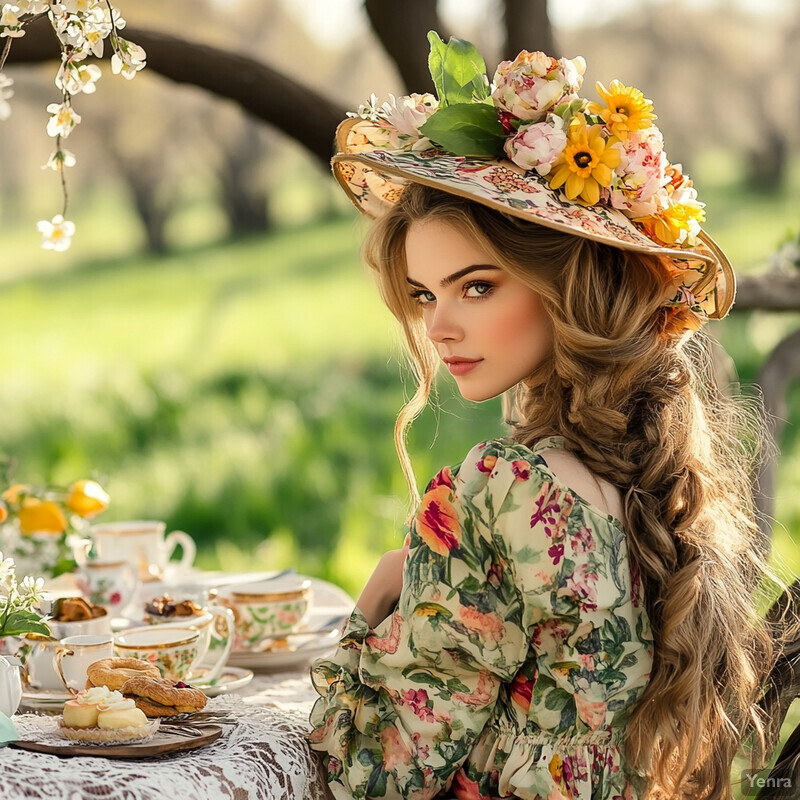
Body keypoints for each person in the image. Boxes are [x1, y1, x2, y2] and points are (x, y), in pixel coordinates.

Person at [307, 35, 784, 799]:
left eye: (478, 287)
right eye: (426, 295)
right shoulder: (634, 474)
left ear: (562, 285)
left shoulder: (505, 486)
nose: (440, 329)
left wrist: (370, 604)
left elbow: (376, 773)